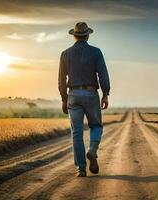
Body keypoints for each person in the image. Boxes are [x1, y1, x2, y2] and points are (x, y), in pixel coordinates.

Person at [58, 22, 110, 177]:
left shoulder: (65, 54)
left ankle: (81, 169)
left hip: (73, 95)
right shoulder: (96, 52)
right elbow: (103, 75)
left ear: (74, 35)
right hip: (91, 93)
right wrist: (105, 93)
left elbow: (61, 80)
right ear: (87, 35)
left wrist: (64, 99)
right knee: (96, 125)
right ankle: (92, 149)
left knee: (76, 133)